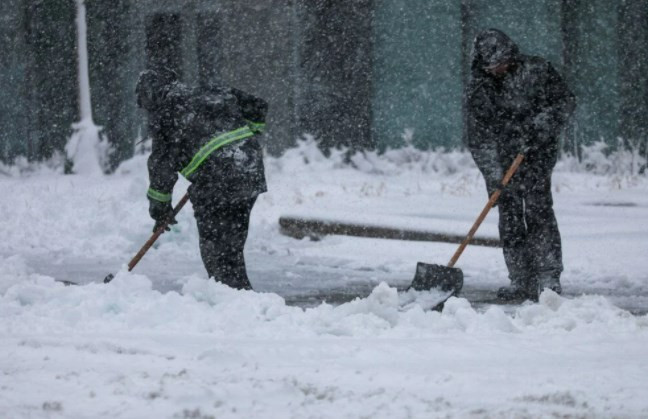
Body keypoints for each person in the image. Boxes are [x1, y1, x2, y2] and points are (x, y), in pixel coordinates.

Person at [466, 29, 575, 301]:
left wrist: (541, 126)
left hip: (537, 154)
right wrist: (495, 177)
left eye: (500, 63)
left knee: (539, 211)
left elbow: (564, 101)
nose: (497, 70)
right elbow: (479, 138)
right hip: (503, 161)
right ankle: (520, 279)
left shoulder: (537, 71)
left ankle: (549, 277)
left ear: (510, 55)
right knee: (510, 219)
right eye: (491, 66)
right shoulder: (480, 87)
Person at [135, 67, 268, 290]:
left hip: (216, 183)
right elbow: (258, 105)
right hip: (249, 170)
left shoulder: (165, 115)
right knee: (232, 245)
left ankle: (233, 300)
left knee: (216, 250)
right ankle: (241, 298)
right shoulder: (212, 92)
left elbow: (161, 171)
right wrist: (248, 138)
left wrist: (160, 211)